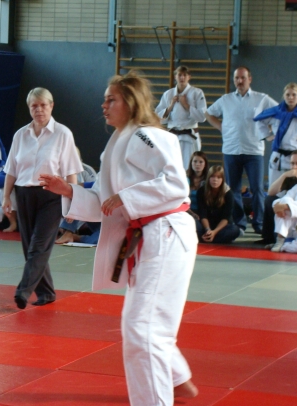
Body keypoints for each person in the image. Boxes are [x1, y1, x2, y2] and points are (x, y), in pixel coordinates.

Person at [40, 72, 198, 405]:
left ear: (131, 102)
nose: (104, 105)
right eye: (104, 99)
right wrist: (69, 190)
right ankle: (174, 377)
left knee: (144, 327)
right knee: (140, 323)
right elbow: (105, 202)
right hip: (147, 235)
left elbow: (175, 184)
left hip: (166, 231)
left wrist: (127, 196)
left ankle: (163, 389)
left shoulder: (147, 136)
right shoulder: (116, 144)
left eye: (111, 99)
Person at [3, 87, 83, 309]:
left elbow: (71, 173)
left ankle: (23, 291)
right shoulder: (20, 135)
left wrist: (74, 203)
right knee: (30, 247)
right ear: (29, 108)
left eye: (43, 105)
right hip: (24, 194)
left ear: (51, 106)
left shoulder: (63, 134)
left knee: (39, 246)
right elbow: (11, 170)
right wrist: (6, 196)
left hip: (52, 196)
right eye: (34, 106)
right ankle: (46, 292)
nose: (38, 109)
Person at [206, 66, 277, 234]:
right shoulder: (226, 99)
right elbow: (208, 114)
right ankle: (239, 223)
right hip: (231, 150)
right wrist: (221, 127)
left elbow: (280, 112)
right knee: (233, 189)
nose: (239, 81)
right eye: (236, 78)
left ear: (249, 79)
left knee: (257, 189)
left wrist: (269, 132)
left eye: (243, 78)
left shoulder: (262, 99)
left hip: (254, 151)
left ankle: (259, 223)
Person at [254, 83, 297, 185]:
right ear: (284, 96)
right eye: (288, 95)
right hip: (278, 157)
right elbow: (259, 120)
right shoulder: (276, 112)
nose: (290, 97)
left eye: (294, 94)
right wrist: (267, 136)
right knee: (276, 188)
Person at [156, 66, 208, 169]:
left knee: (190, 168)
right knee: (171, 168)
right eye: (179, 75)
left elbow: (202, 117)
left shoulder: (197, 93)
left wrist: (186, 105)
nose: (182, 78)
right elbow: (157, 118)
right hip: (172, 136)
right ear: (175, 76)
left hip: (190, 136)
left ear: (189, 77)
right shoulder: (168, 94)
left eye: (185, 75)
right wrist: (170, 106)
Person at [257, 149, 297, 245]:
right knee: (269, 200)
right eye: (292, 163)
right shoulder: (290, 177)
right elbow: (271, 192)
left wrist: (287, 206)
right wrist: (284, 175)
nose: (294, 167)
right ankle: (269, 237)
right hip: (288, 212)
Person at [270, 162, 297, 253]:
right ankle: (280, 240)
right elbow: (285, 198)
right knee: (284, 201)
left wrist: (286, 206)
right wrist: (277, 204)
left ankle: (284, 246)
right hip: (291, 224)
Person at [195, 166, 241, 244]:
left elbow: (226, 218)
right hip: (205, 225)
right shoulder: (201, 191)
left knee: (235, 230)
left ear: (222, 179)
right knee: (193, 223)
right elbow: (203, 214)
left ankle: (207, 238)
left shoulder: (228, 194)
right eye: (212, 177)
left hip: (221, 226)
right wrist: (208, 230)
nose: (215, 180)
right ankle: (210, 237)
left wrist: (214, 232)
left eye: (218, 177)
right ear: (208, 178)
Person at [187, 151, 209, 220]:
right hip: (187, 211)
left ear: (205, 164)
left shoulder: (209, 179)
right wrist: (191, 213)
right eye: (195, 161)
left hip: (204, 213)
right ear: (191, 163)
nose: (197, 164)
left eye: (201, 162)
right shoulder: (185, 178)